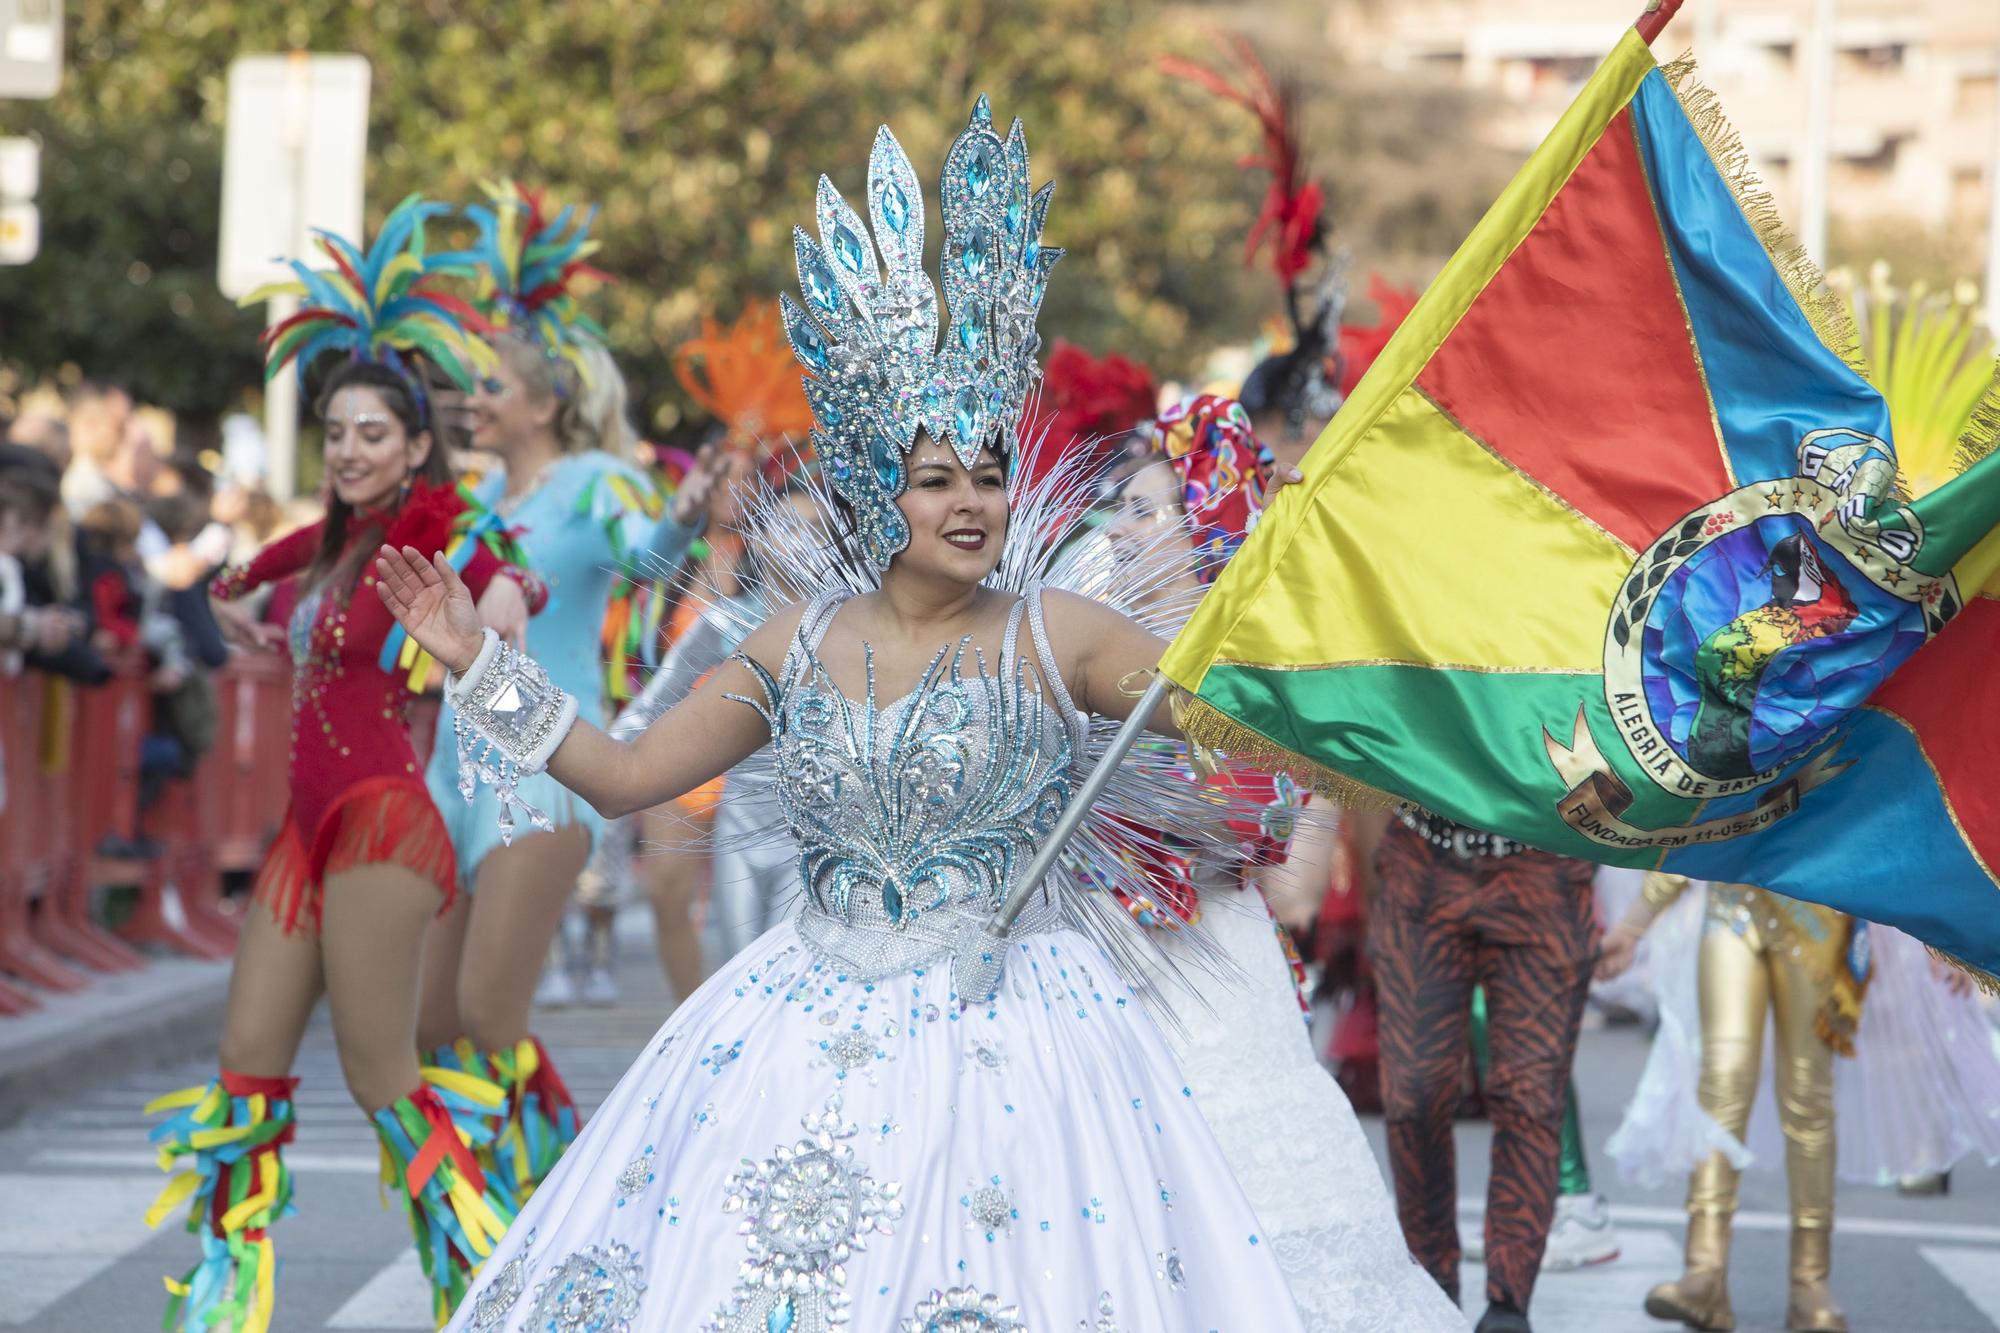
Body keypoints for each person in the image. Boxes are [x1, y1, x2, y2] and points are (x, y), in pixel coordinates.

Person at [381, 97, 1315, 1331]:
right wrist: (477, 666)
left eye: (988, 472)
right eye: (937, 479)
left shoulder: (1061, 634)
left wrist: (1298, 616)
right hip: (797, 1021)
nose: (972, 502)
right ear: (885, 493)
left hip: (1023, 1037)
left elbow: (1228, 716)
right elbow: (619, 773)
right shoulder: (798, 640)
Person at [142, 197, 548, 1332]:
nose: (352, 449)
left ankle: (492, 1288)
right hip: (300, 836)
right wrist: (234, 611)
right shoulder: (334, 543)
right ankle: (221, 1308)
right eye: (336, 433)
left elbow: (511, 572)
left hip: (381, 828)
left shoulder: (435, 532)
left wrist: (505, 599)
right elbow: (239, 576)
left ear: (415, 444)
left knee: (383, 1078)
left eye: (373, 432)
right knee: (245, 1068)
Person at [1100, 392, 1468, 1332]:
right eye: (1119, 509)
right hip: (1097, 971)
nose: (1121, 529)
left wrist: (1173, 819)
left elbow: (1293, 880)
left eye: (1144, 510)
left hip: (1216, 974)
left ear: (1202, 526)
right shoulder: (1085, 646)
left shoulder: (1265, 681)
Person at [414, 183, 725, 1211]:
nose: (473, 399)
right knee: (432, 1027)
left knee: (489, 1014)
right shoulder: (479, 499)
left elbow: (643, 558)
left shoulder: (595, 480)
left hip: (542, 772)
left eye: (491, 384)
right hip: (452, 770)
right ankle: (491, 1213)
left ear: (544, 402)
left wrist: (681, 515)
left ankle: (557, 1210)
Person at [1598, 874, 1996, 1332]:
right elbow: (1695, 814)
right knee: (1720, 1083)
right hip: (1731, 906)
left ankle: (1810, 1282)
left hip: (1816, 913)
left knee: (1808, 1098)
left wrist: (1941, 936)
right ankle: (1703, 1273)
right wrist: (1632, 927)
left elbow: (1881, 825)